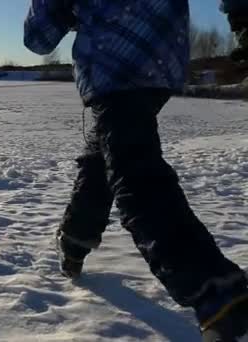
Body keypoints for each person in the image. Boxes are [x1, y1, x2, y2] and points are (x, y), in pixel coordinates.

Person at [23, 0, 248, 340]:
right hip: (163, 57)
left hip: (115, 62)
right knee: (109, 152)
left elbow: (38, 38)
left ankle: (218, 293)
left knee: (133, 170)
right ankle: (75, 237)